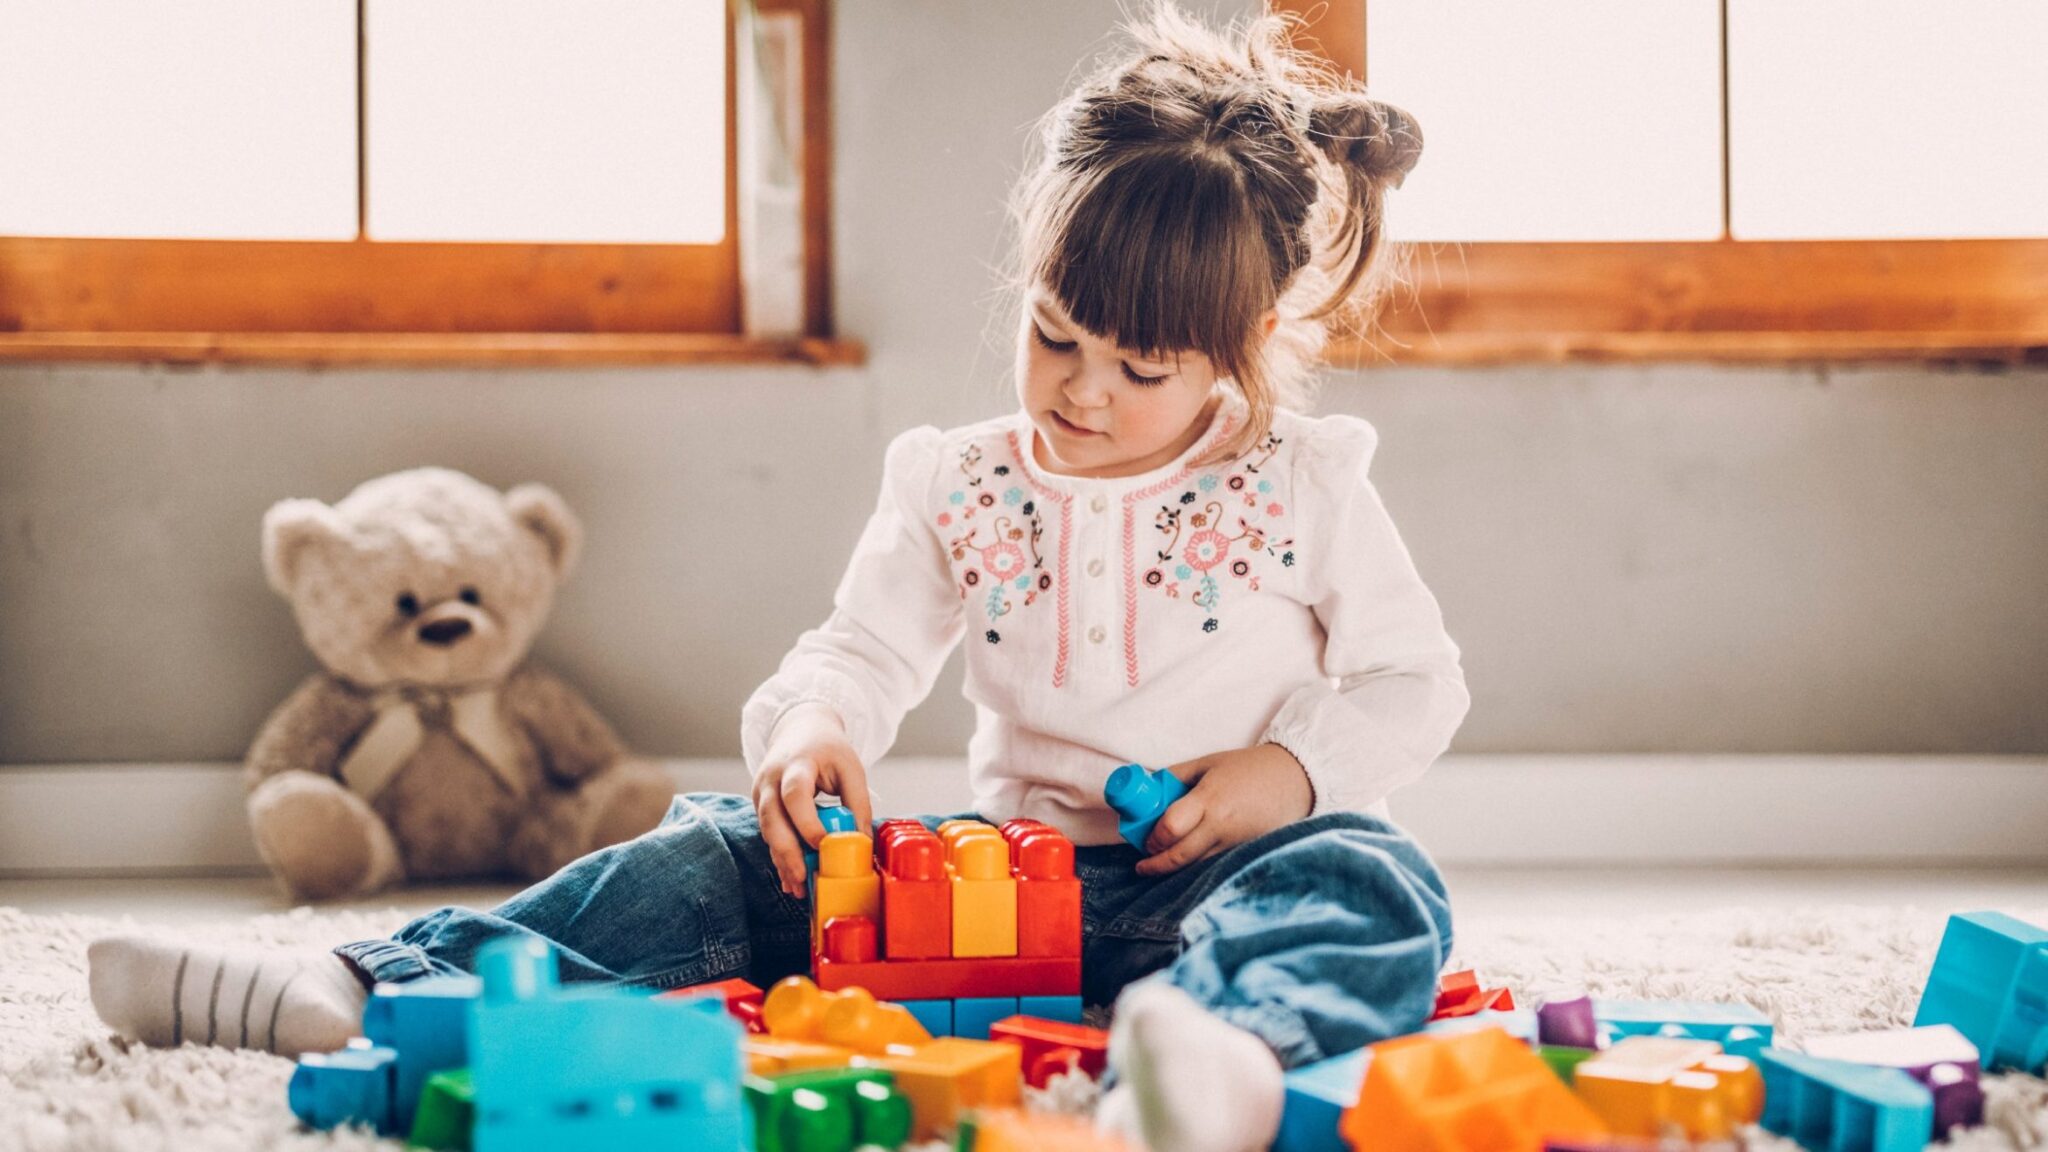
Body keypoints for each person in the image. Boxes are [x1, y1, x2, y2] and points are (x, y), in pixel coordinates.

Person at [87, 5, 1465, 1150]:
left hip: (1217, 884)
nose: (1082, 396)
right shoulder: (960, 479)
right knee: (714, 852)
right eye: (1054, 339)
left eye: (1142, 371)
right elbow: (860, 650)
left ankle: (1214, 1057)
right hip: (996, 893)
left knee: (1374, 877)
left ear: (1245, 347)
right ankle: (358, 980)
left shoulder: (1306, 481)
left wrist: (1284, 775)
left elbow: (1416, 682)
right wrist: (814, 731)